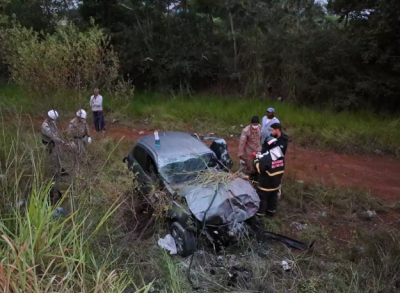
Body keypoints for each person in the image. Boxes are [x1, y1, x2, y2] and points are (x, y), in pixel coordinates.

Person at [253, 137, 285, 217]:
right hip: (276, 183)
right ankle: (271, 212)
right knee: (273, 198)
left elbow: (259, 169)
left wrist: (256, 160)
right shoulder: (281, 156)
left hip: (265, 184)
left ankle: (260, 215)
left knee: (262, 199)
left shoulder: (266, 159)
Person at [41, 110, 66, 175]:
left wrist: (60, 137)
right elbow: (51, 135)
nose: (53, 120)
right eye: (52, 119)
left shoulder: (53, 122)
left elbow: (56, 132)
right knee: (52, 158)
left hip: (54, 142)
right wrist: (60, 141)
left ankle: (61, 169)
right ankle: (53, 173)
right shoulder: (45, 125)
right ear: (48, 117)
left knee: (59, 155)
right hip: (48, 143)